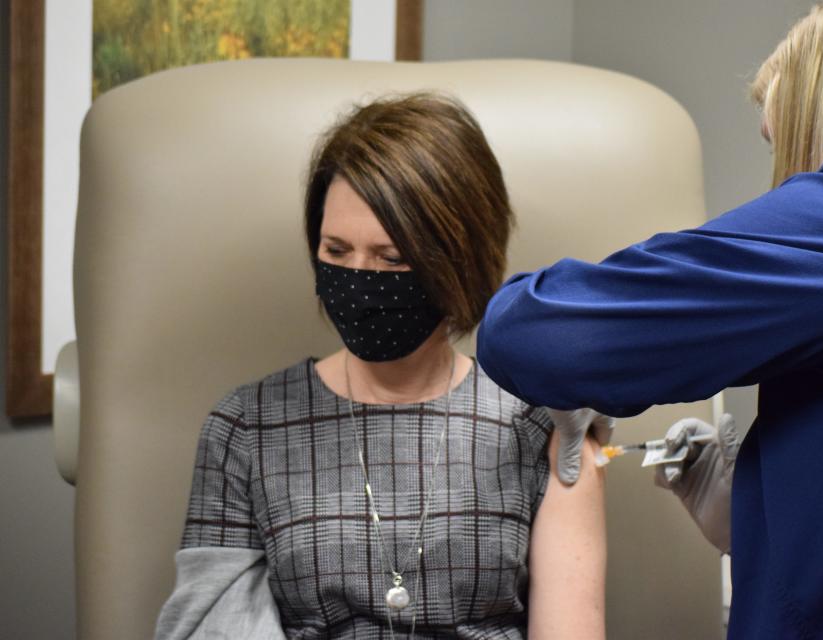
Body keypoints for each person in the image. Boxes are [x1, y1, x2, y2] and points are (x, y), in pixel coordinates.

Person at [476, 1, 823, 638]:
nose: (780, 170)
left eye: (779, 136)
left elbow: (539, 336)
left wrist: (563, 357)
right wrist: (755, 514)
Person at [156, 93, 606, 639]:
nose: (361, 279)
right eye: (337, 251)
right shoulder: (246, 429)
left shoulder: (543, 425)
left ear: (459, 259)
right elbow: (210, 629)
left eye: (392, 258)